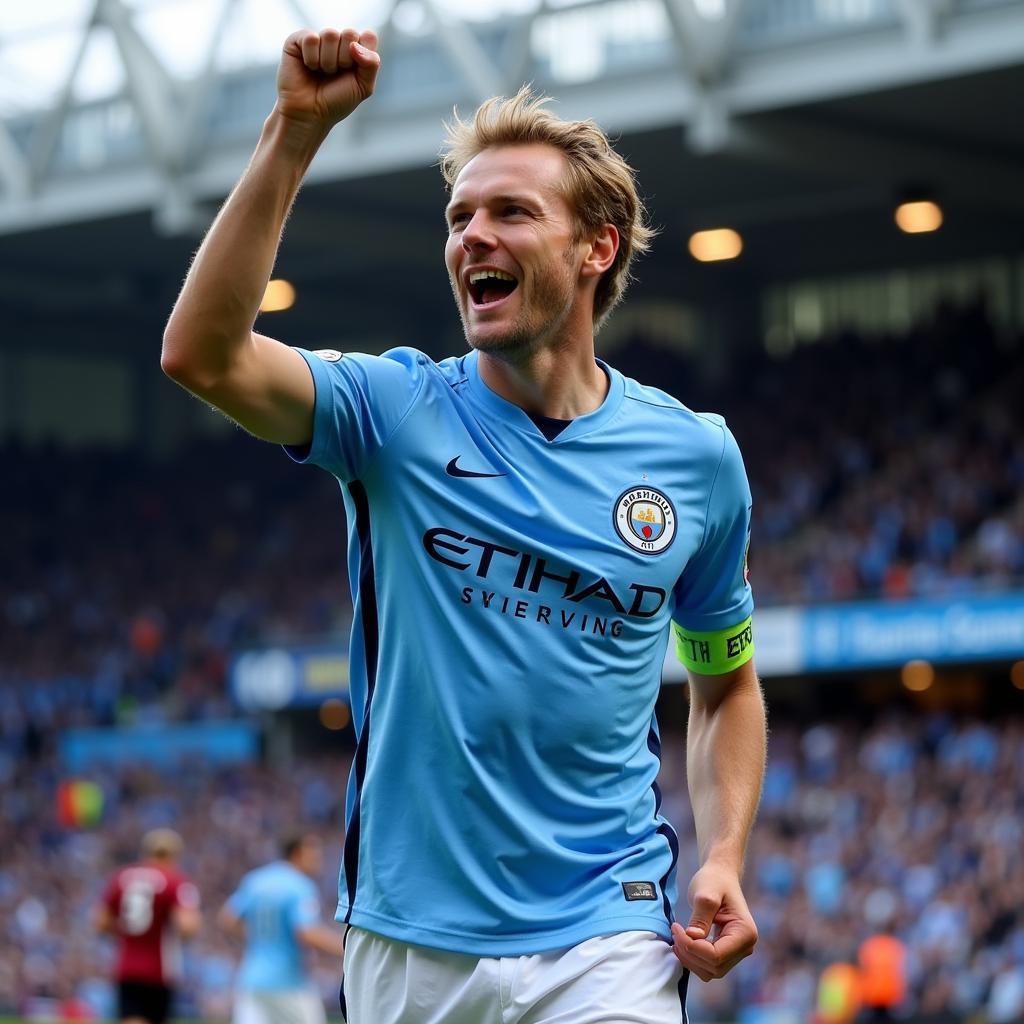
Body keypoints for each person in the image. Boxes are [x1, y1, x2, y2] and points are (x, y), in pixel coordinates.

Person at [162, 25, 766, 1024]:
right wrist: (292, 135)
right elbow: (203, 355)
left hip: (605, 930)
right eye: (459, 215)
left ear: (593, 248)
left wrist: (728, 853)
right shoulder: (392, 412)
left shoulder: (696, 458)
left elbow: (724, 685)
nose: (470, 235)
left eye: (510, 212)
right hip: (410, 942)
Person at [219, 832, 344, 1024]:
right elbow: (307, 933)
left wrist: (260, 940)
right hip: (288, 982)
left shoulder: (256, 880)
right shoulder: (299, 885)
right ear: (296, 854)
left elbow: (228, 920)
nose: (318, 858)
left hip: (252, 978)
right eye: (313, 852)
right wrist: (345, 948)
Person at [93, 828, 201, 1024]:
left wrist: (125, 932)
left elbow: (100, 922)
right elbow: (187, 927)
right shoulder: (175, 881)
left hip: (126, 964)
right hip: (159, 969)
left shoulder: (121, 877)